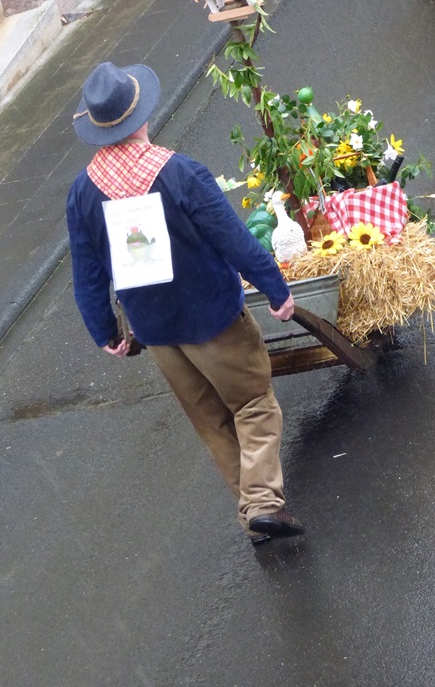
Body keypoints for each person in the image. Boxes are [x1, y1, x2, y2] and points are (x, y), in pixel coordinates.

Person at [66, 61, 305, 546]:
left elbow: (87, 272)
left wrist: (105, 331)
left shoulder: (82, 193)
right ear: (143, 117)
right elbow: (233, 239)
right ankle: (263, 503)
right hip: (215, 318)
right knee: (253, 405)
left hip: (156, 332)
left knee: (213, 422)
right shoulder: (179, 173)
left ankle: (254, 519)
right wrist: (275, 288)